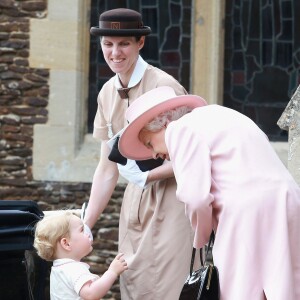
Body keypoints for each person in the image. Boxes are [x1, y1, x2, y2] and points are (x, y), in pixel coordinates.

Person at [118, 86, 300, 300]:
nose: (155, 154)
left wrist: (201, 238)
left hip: (245, 214)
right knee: (284, 286)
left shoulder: (179, 129)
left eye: (150, 143)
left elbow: (196, 198)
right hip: (288, 200)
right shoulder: (221, 114)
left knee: (242, 290)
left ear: (164, 122)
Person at [84, 7, 194, 300]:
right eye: (108, 44)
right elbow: (107, 168)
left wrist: (149, 175)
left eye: (124, 44)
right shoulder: (107, 92)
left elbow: (192, 154)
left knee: (170, 287)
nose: (115, 52)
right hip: (134, 202)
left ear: (140, 43)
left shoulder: (164, 86)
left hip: (173, 198)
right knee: (135, 284)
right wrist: (86, 225)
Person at [34, 211, 128, 300]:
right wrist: (112, 272)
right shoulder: (73, 268)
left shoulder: (58, 269)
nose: (88, 234)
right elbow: (91, 293)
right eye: (82, 230)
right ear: (66, 243)